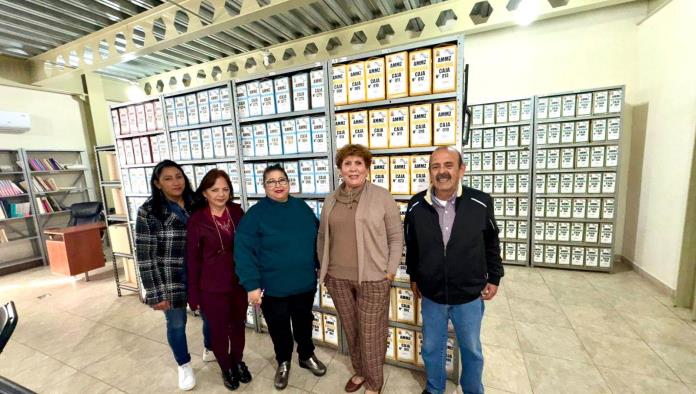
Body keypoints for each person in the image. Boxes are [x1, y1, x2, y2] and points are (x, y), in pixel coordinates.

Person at [404, 146, 504, 394]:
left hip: (469, 294)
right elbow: (412, 246)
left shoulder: (481, 202)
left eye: (448, 165)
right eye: (435, 166)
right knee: (431, 348)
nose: (442, 171)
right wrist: (414, 276)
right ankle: (435, 388)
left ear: (461, 169)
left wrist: (495, 276)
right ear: (429, 172)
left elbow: (491, 242)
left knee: (471, 349)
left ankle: (472, 390)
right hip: (433, 294)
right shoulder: (416, 205)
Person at [317, 144, 403, 394]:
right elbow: (323, 236)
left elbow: (396, 237)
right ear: (340, 169)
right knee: (352, 330)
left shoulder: (381, 196)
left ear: (367, 168)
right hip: (337, 278)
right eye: (347, 164)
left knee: (371, 333)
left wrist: (389, 272)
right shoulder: (331, 199)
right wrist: (325, 269)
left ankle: (375, 382)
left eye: (358, 163)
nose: (353, 168)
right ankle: (360, 371)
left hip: (374, 278)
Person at [234, 164, 327, 390]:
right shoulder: (255, 214)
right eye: (271, 181)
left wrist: (319, 266)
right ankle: (283, 361)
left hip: (304, 283)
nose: (278, 185)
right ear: (264, 187)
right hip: (273, 286)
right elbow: (243, 250)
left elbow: (317, 239)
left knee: (304, 322)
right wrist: (252, 285)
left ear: (289, 183)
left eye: (282, 180)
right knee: (279, 327)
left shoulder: (301, 207)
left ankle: (306, 355)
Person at [134, 160, 213, 391]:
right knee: (176, 323)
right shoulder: (148, 212)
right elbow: (145, 255)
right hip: (170, 276)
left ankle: (210, 347)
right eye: (168, 178)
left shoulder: (197, 203)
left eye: (179, 176)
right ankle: (184, 364)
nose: (176, 182)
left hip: (201, 272)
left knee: (211, 315)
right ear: (157, 184)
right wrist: (155, 292)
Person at [186, 169, 251, 391]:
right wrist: (193, 295)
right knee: (218, 329)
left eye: (225, 189)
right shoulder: (197, 219)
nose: (221, 194)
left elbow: (249, 246)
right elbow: (192, 260)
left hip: (238, 282)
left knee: (238, 326)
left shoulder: (237, 212)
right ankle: (226, 367)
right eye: (215, 190)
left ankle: (238, 361)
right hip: (211, 286)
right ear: (205, 192)